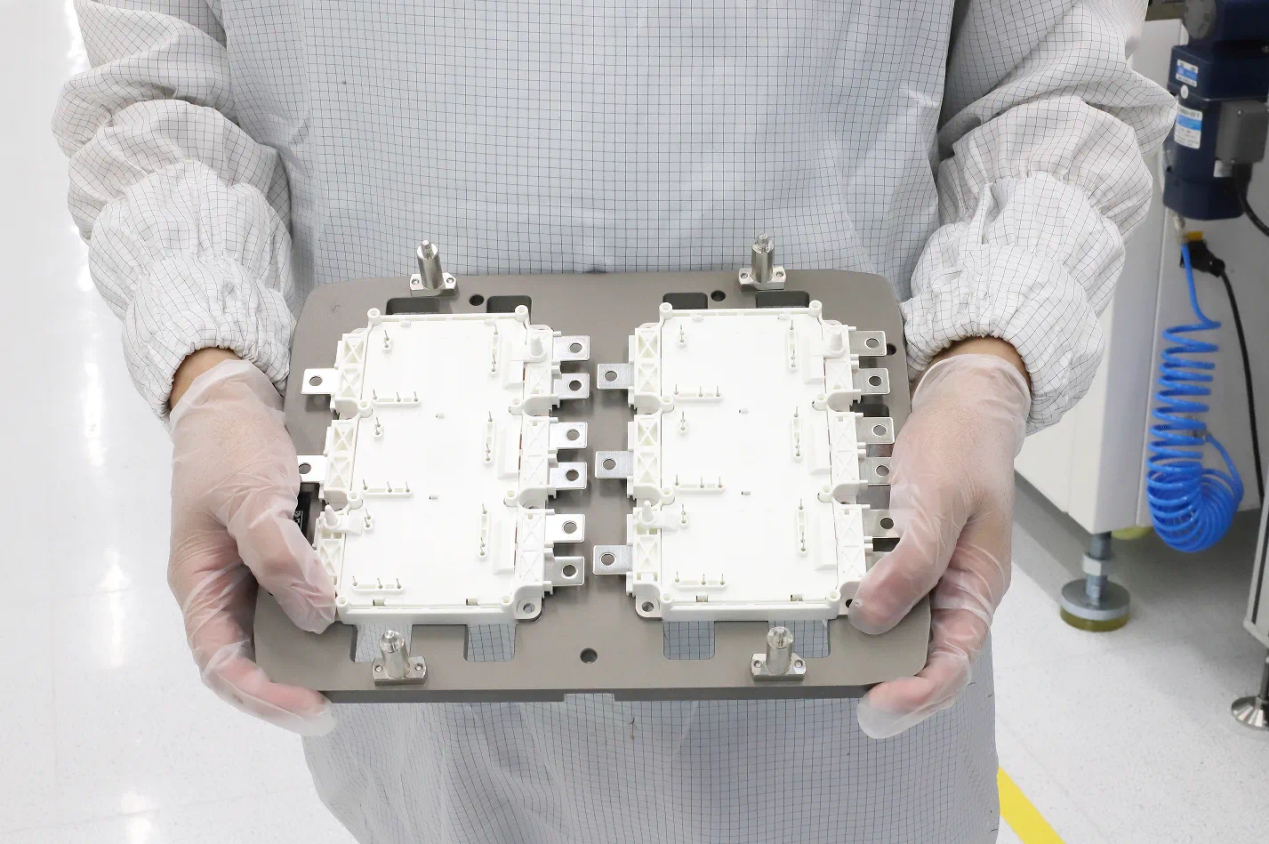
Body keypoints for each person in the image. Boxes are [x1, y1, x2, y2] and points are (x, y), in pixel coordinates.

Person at [54, 0, 1174, 840]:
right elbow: (160, 86)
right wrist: (212, 367)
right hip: (416, 624)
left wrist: (985, 360)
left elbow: (1055, 84)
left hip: (837, 660)